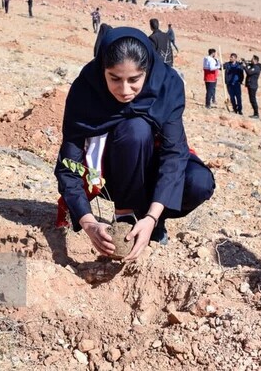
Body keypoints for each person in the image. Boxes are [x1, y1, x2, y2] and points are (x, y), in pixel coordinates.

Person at [54, 27, 215, 261]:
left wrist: (152, 217)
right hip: (108, 173)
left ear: (147, 71)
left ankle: (149, 220)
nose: (125, 90)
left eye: (134, 80)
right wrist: (88, 222)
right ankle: (125, 216)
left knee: (199, 182)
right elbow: (69, 163)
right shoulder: (85, 91)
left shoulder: (166, 85)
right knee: (135, 129)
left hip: (152, 168)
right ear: (102, 71)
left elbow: (174, 154)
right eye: (115, 79)